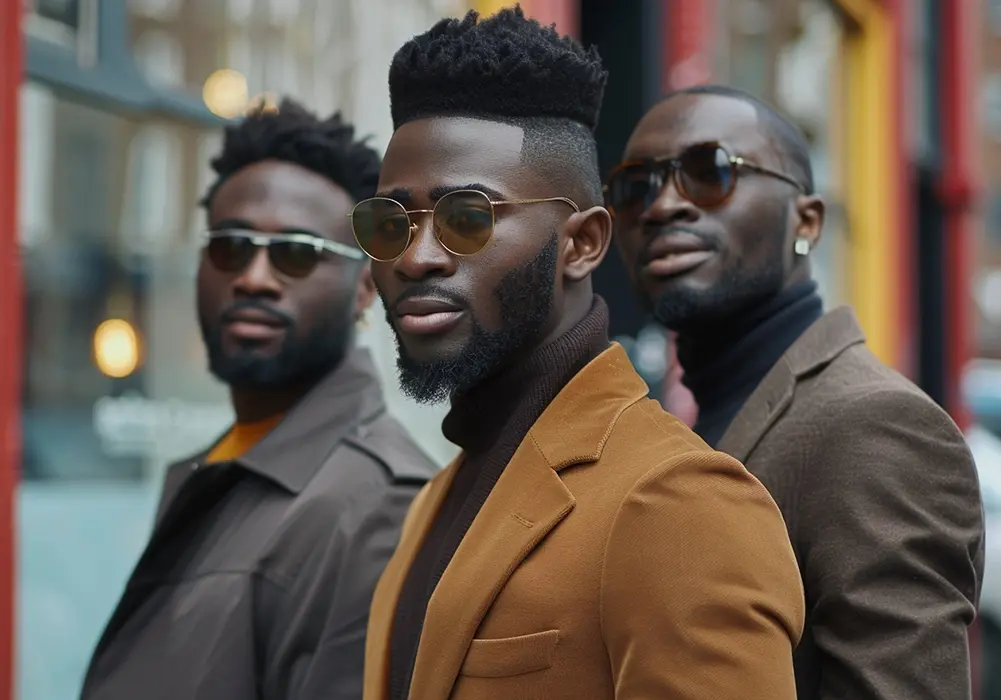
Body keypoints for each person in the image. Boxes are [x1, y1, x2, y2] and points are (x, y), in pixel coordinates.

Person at [355, 9, 805, 700]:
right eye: (390, 222)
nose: (415, 257)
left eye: (468, 218)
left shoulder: (676, 501)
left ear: (584, 243)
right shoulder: (437, 499)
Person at [609, 84, 985, 700]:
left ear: (805, 221)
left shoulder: (876, 426)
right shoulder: (679, 424)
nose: (663, 206)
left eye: (712, 172)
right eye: (635, 186)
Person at [81, 100, 436, 700]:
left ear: (364, 289)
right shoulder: (216, 469)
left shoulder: (376, 507)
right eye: (231, 247)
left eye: (297, 252)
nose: (253, 277)